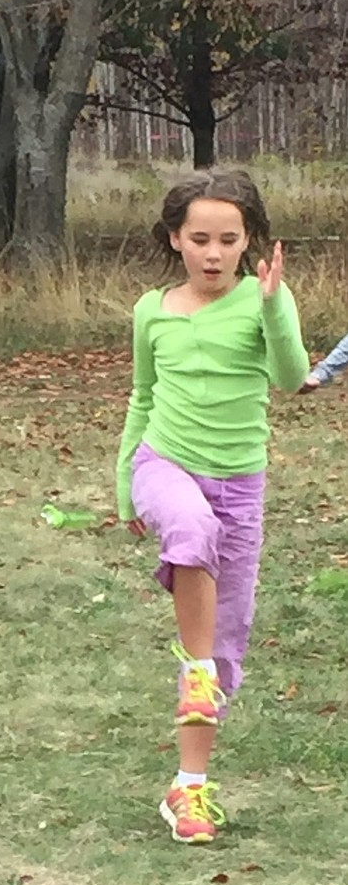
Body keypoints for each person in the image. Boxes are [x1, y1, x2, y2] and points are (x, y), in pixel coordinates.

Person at [115, 169, 308, 844]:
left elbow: (290, 378)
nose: (214, 252)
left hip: (240, 487)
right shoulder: (152, 310)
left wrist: (277, 305)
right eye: (200, 238)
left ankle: (189, 790)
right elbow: (142, 399)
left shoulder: (263, 302)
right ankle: (196, 674)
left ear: (249, 241)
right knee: (191, 528)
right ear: (176, 239)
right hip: (165, 465)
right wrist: (123, 485)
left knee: (226, 645)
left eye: (229, 239)